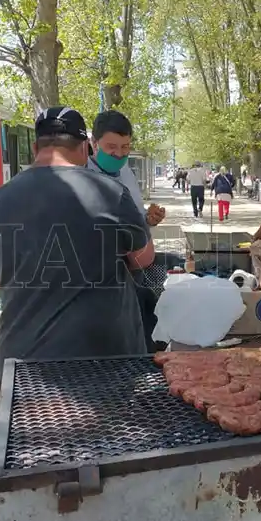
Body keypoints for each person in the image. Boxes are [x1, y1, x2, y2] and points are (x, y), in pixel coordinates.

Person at [0, 106, 154, 362]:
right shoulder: (111, 193)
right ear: (84, 149)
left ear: (35, 149)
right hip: (103, 357)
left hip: (22, 360)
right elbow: (143, 258)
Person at [86, 110, 172, 352]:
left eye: (125, 147)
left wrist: (148, 219)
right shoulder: (83, 175)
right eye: (112, 146)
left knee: (141, 332)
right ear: (94, 143)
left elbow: (133, 215)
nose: (119, 154)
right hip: (104, 276)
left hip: (136, 268)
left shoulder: (125, 171)